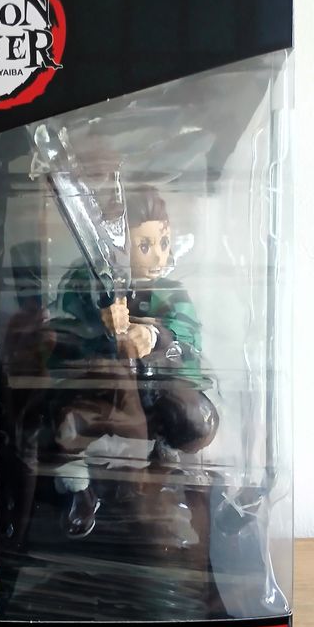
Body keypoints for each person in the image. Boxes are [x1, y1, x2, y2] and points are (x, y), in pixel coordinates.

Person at [48, 185, 219, 537]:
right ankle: (79, 490)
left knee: (198, 420)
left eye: (163, 243)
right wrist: (100, 312)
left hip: (158, 394)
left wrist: (156, 337)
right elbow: (67, 314)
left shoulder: (171, 293)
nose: (158, 257)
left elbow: (188, 337)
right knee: (68, 425)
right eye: (145, 246)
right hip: (107, 393)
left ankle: (164, 460)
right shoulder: (91, 281)